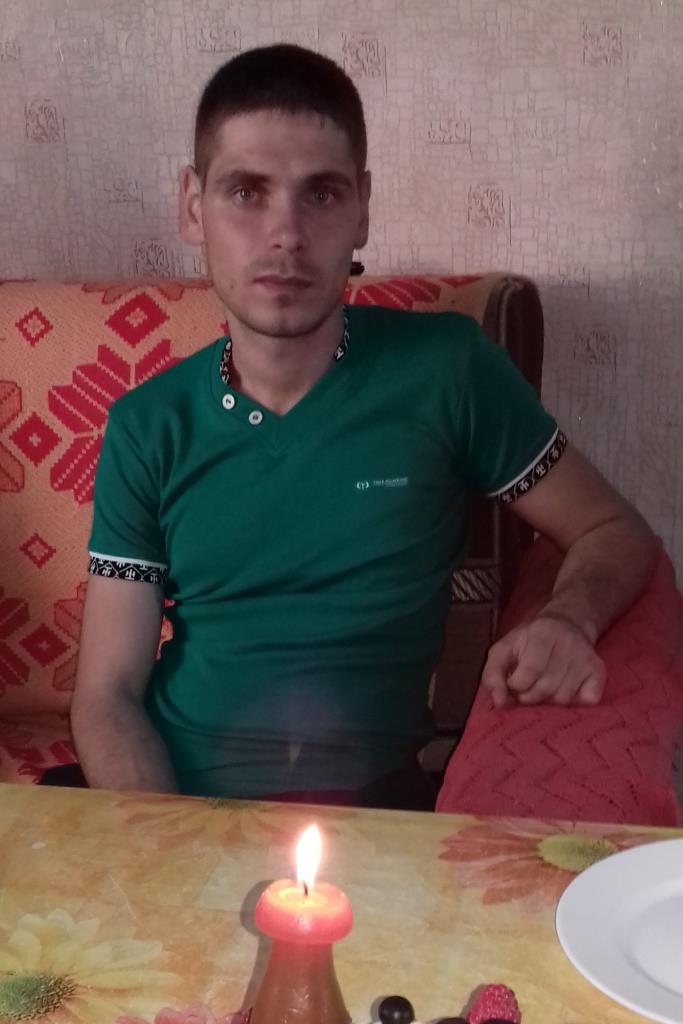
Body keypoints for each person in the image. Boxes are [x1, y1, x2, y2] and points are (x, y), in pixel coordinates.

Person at [70, 44, 657, 808]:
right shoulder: (148, 424)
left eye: (321, 193)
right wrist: (162, 839)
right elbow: (108, 694)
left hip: (369, 807)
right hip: (167, 798)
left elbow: (612, 529)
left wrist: (567, 621)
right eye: (246, 191)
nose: (285, 234)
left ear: (363, 210)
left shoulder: (447, 371)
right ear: (191, 206)